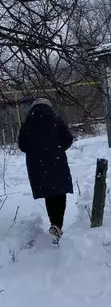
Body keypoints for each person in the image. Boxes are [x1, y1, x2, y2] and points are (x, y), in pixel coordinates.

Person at [18, 98, 74, 242]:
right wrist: (57, 149)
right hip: (57, 162)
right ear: (49, 107)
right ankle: (57, 225)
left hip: (38, 166)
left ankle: (54, 224)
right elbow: (68, 139)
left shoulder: (28, 125)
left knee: (50, 194)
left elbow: (22, 146)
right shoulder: (56, 121)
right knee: (59, 193)